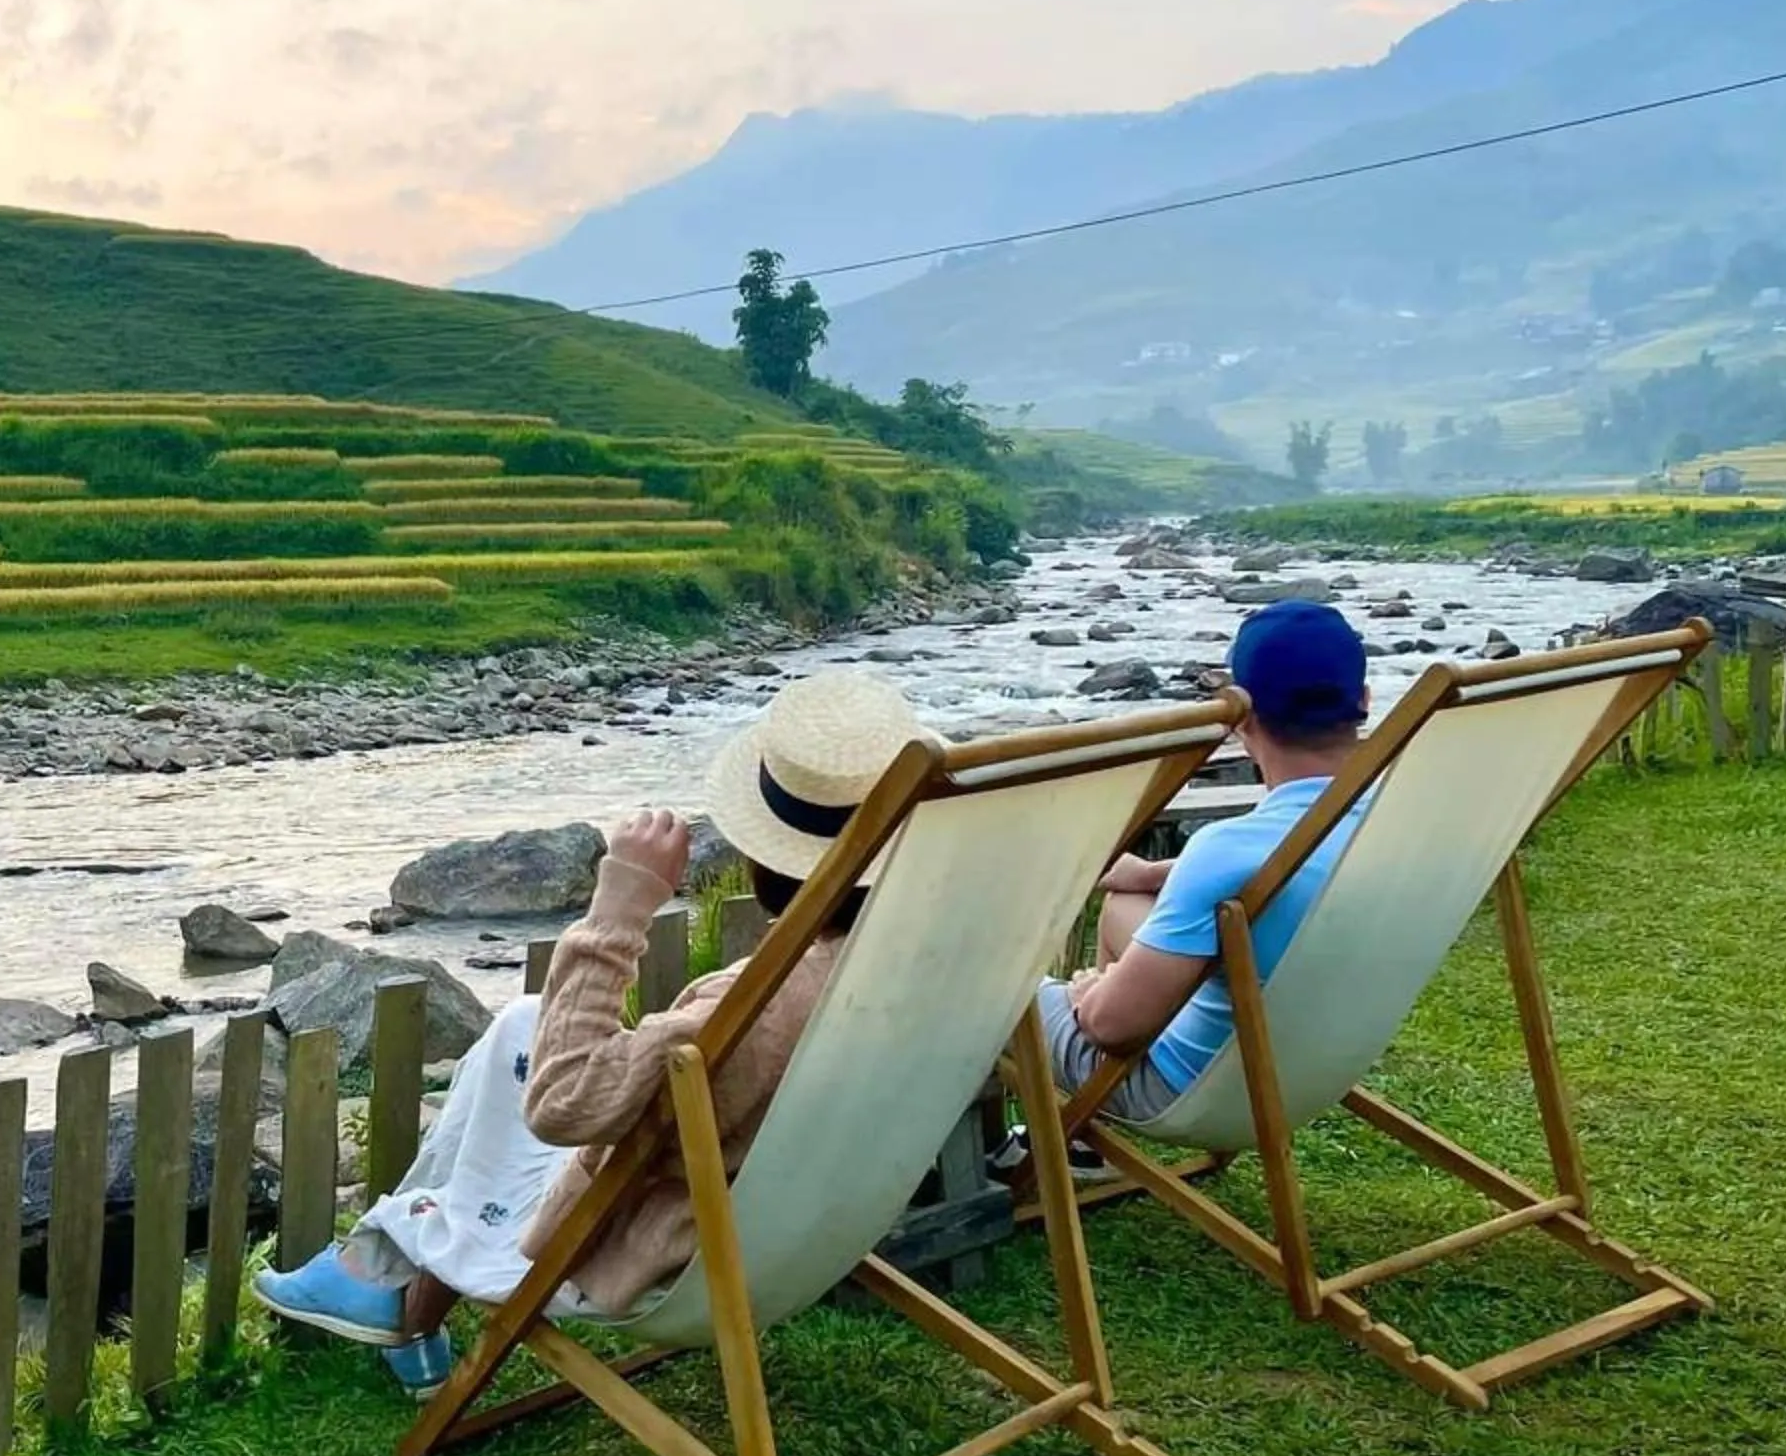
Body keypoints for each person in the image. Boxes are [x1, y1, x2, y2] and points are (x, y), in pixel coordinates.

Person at [252, 670, 927, 1396]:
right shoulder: (925, 957)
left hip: (660, 1244)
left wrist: (619, 908)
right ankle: (392, 1290)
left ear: (768, 858)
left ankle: (385, 1276)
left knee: (529, 1053)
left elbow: (563, 1104)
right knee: (523, 1023)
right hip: (804, 1213)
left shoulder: (749, 1011)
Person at [998, 598, 1373, 1176]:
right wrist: (1151, 875)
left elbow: (1111, 1029)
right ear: (1365, 703)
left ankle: (979, 1161)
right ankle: (1084, 1141)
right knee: (1125, 903)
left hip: (1191, 1093)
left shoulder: (1227, 850)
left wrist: (1088, 994)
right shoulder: (1401, 817)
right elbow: (1285, 863)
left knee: (981, 990)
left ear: (1240, 716)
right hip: (1316, 1067)